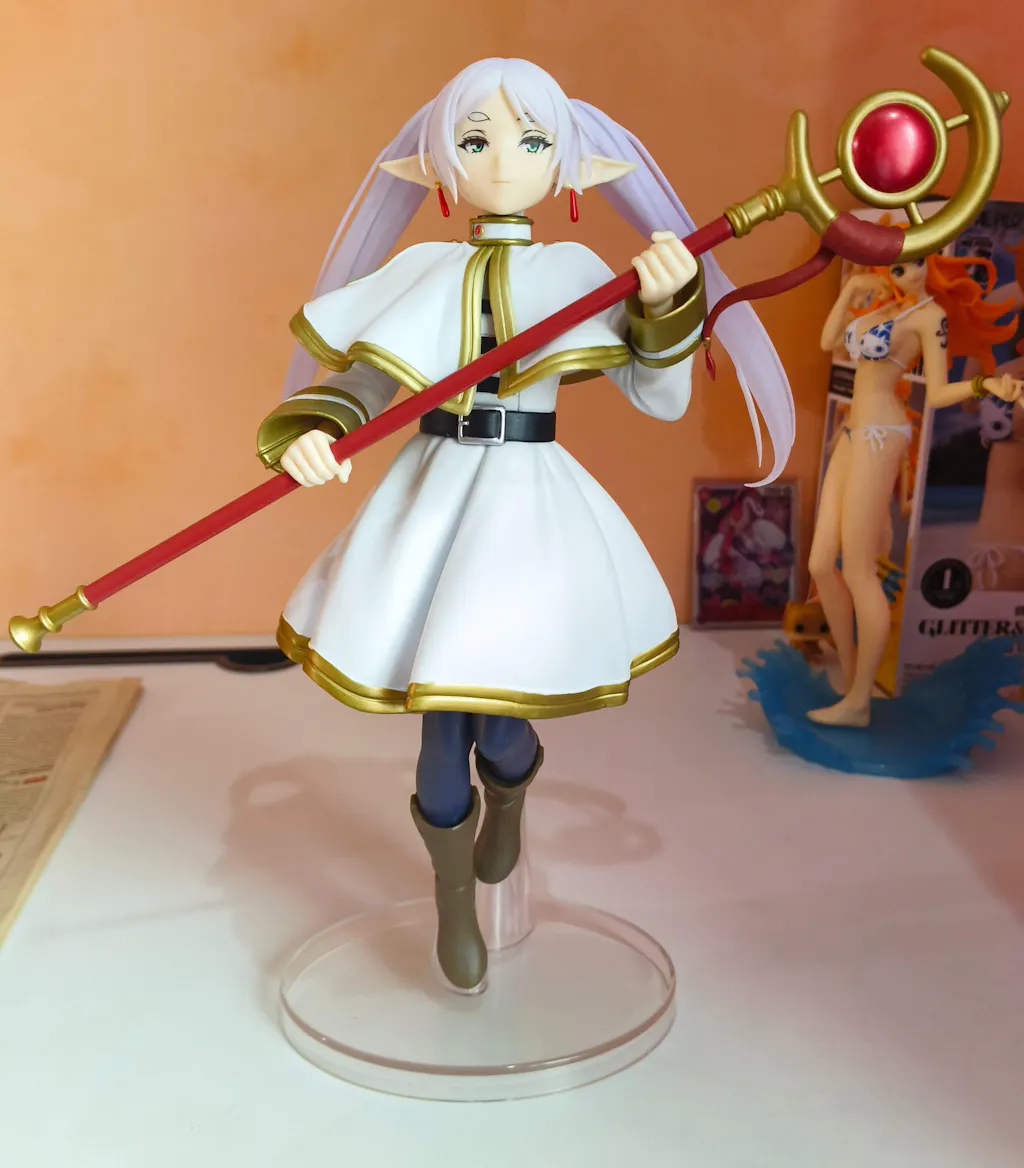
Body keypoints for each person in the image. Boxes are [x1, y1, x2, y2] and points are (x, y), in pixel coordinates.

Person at [255, 58, 795, 991]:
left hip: (525, 509)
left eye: (532, 140)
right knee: (438, 725)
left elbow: (659, 397)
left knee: (498, 723)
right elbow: (368, 377)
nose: (504, 161)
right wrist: (315, 429)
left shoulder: (574, 273)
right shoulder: (419, 270)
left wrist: (667, 305)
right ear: (439, 164)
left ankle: (509, 794)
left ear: (567, 166)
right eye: (476, 141)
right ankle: (453, 900)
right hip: (433, 496)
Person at [810, 251, 1020, 727]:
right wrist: (849, 290)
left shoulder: (930, 316)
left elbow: (940, 393)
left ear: (932, 265)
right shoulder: (882, 307)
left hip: (881, 434)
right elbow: (829, 342)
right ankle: (852, 677)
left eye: (914, 263)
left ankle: (858, 702)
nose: (905, 272)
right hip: (852, 432)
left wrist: (985, 385)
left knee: (859, 569)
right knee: (821, 562)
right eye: (897, 265)